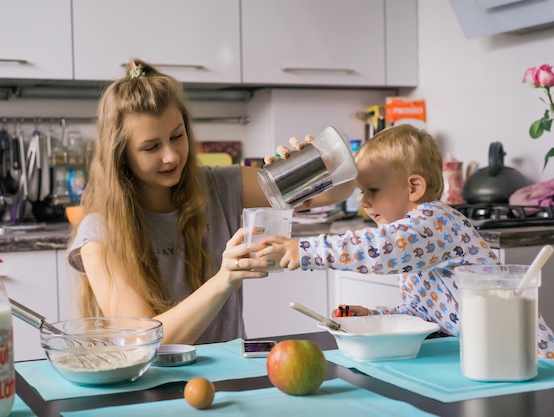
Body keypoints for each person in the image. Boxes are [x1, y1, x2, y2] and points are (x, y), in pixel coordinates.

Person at [67, 58, 352, 345]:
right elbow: (141, 343)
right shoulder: (99, 233)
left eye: (177, 136)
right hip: (155, 387)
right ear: (121, 156)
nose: (172, 156)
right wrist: (223, 279)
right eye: (151, 147)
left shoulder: (221, 186)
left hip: (230, 380)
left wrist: (319, 162)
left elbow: (338, 190)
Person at [257, 124, 554, 359]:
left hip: (528, 355)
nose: (364, 202)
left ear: (414, 187)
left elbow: (377, 250)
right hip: (489, 356)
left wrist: (307, 250)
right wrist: (374, 317)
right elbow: (423, 315)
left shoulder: (434, 221)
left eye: (373, 190)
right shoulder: (416, 241)